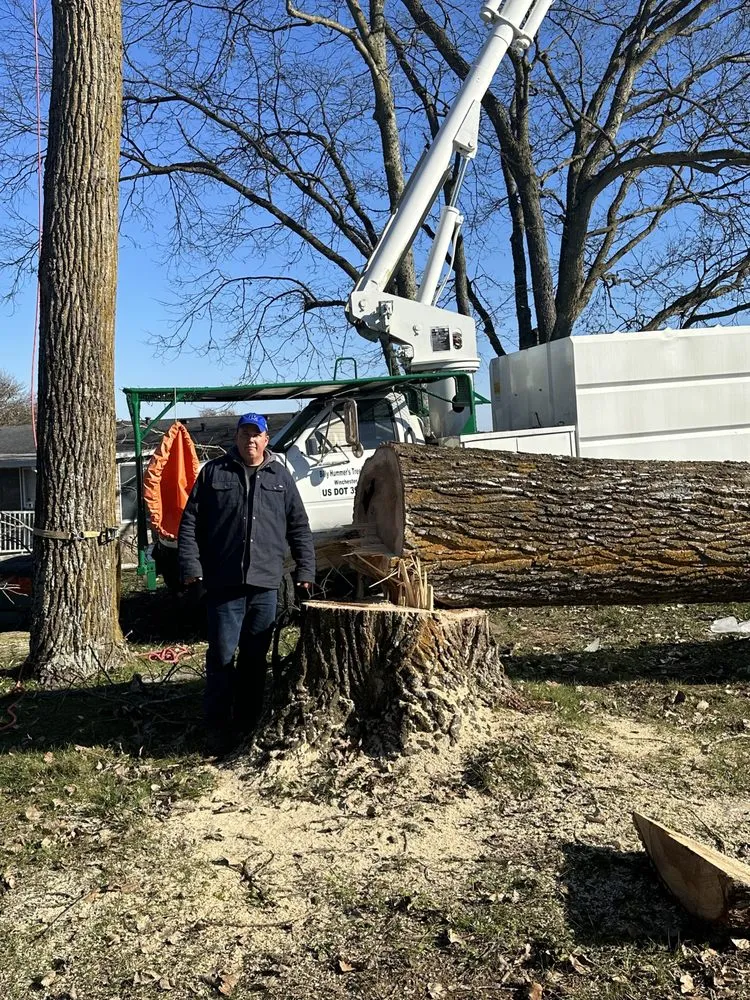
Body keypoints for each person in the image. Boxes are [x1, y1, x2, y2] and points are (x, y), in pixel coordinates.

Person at [178, 412, 315, 755]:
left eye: (257, 435)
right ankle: (217, 727)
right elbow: (190, 525)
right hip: (224, 586)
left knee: (255, 659)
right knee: (222, 656)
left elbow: (299, 528)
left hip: (265, 586)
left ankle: (248, 723)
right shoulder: (214, 473)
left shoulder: (281, 477)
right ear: (236, 438)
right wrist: (191, 571)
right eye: (244, 434)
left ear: (267, 440)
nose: (250, 440)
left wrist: (305, 574)